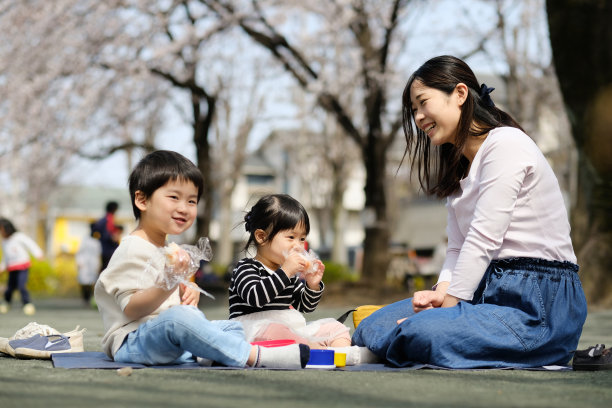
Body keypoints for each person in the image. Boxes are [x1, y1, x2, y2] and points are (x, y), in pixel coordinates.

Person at [352, 55, 587, 368]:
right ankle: (396, 342)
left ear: (460, 94)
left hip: (538, 306)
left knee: (420, 332)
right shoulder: (462, 172)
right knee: (370, 324)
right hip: (484, 294)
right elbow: (458, 249)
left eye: (423, 103)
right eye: (413, 111)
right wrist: (442, 293)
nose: (419, 117)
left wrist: (445, 311)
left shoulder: (506, 144)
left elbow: (483, 239)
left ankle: (400, 342)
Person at [94, 151, 310, 369]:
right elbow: (132, 309)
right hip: (134, 341)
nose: (184, 208)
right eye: (174, 197)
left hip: (168, 338)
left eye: (191, 201)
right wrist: (170, 281)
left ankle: (208, 353)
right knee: (179, 319)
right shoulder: (133, 248)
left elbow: (165, 298)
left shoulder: (168, 248)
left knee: (232, 328)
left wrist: (186, 289)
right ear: (142, 200)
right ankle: (254, 356)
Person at [229, 194, 376, 365]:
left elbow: (305, 306)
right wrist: (285, 272)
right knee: (280, 332)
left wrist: (312, 285)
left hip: (289, 328)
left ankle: (340, 353)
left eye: (302, 239)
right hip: (254, 331)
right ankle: (322, 353)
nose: (298, 246)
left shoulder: (288, 273)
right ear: (262, 237)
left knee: (335, 327)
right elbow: (255, 298)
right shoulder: (246, 267)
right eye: (291, 237)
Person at [0, 218, 44, 315]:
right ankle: (6, 303)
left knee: (21, 285)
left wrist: (38, 253)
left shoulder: (18, 237)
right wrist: (2, 266)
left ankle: (27, 304)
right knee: (10, 287)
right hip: (12, 267)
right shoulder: (5, 242)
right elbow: (6, 256)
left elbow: (31, 244)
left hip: (22, 265)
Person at [75, 223, 102, 307]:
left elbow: (98, 254)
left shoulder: (97, 241)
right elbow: (79, 251)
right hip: (84, 264)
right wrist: (79, 262)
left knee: (92, 282)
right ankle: (85, 298)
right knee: (84, 282)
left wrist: (98, 265)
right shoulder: (85, 240)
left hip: (93, 264)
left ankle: (90, 299)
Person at [94, 201, 121, 272]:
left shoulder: (105, 219)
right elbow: (108, 235)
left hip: (105, 249)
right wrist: (114, 237)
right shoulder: (108, 219)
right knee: (107, 270)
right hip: (108, 250)